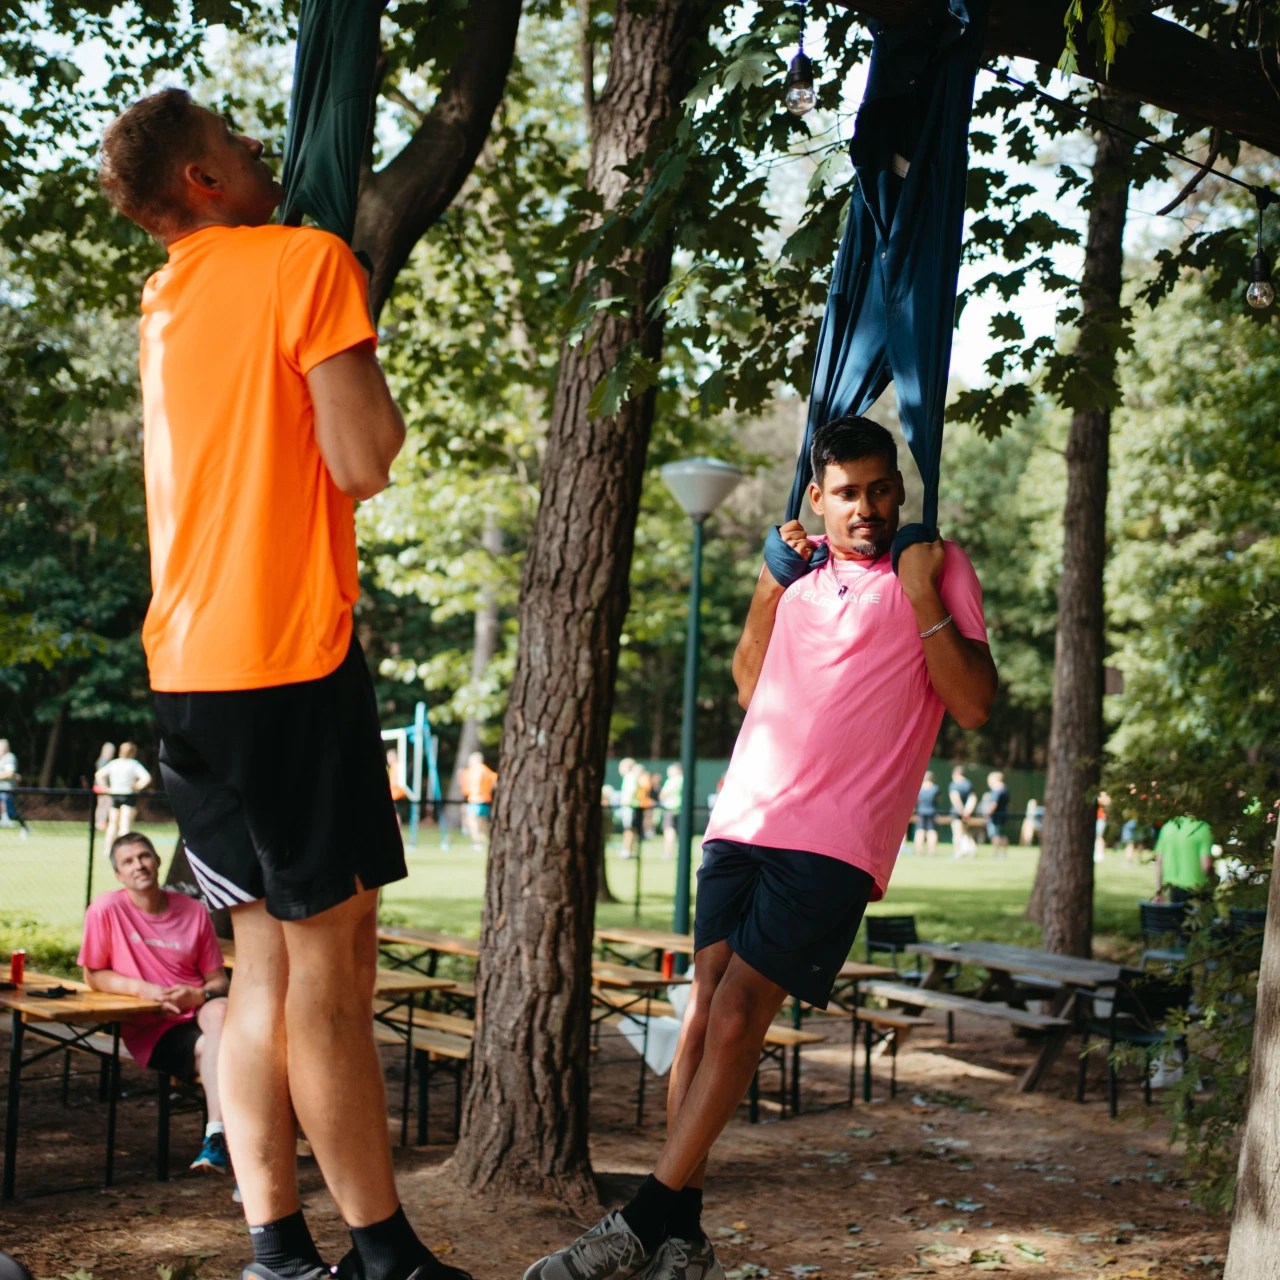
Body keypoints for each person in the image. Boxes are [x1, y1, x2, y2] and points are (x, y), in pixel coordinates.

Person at [98, 90, 460, 1280]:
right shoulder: (306, 262)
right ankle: (383, 1250)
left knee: (260, 956)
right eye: (238, 144)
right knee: (333, 958)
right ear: (202, 180)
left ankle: (276, 1246)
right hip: (286, 657)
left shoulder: (165, 295)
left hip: (186, 667)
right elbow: (363, 457)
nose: (265, 150)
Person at [523, 416, 996, 1280]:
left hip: (836, 836)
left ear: (900, 488)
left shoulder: (936, 567)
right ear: (818, 498)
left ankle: (641, 1220)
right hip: (744, 816)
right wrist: (768, 588)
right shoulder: (800, 571)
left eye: (881, 489)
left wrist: (924, 595)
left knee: (741, 1012)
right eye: (847, 493)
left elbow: (971, 705)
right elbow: (750, 685)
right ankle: (683, 1238)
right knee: (703, 1013)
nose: (868, 508)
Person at [79, 832, 231, 1173]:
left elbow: (218, 981)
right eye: (128, 861)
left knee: (220, 1011)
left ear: (158, 861)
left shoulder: (194, 911)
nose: (139, 866)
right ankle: (226, 1142)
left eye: (144, 856)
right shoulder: (106, 909)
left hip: (199, 1011)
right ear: (118, 875)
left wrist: (199, 995)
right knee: (231, 1054)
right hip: (154, 1026)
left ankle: (218, 1139)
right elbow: (93, 975)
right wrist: (142, 989)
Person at [96, 742, 152, 848]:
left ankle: (108, 849)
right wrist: (137, 786)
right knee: (125, 825)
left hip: (115, 794)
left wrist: (105, 788)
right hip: (128, 795)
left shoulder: (114, 763)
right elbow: (147, 778)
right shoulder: (134, 764)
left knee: (112, 824)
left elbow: (99, 775)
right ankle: (123, 848)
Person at [1154, 816, 1215, 903]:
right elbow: (1206, 866)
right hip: (1196, 888)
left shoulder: (1168, 826)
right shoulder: (1203, 828)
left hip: (1172, 887)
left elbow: (1159, 862)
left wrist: (1159, 891)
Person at [456, 751, 497, 847]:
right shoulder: (486, 770)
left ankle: (477, 841)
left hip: (475, 799)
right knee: (482, 822)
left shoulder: (473, 770)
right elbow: (495, 781)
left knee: (472, 820)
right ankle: (484, 840)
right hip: (486, 799)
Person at [0, 740, 29, 837]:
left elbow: (9, 773)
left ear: (6, 748)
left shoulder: (9, 757)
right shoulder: (2, 758)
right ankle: (4, 819)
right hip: (1, 789)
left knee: (11, 812)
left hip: (7, 789)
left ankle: (25, 827)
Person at [979, 771, 1010, 856]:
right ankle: (1003, 853)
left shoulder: (997, 790)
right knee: (1001, 834)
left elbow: (993, 804)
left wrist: (988, 814)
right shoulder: (1005, 789)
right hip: (1003, 815)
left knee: (995, 835)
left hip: (995, 817)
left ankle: (996, 853)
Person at [948, 764, 976, 857]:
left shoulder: (954, 784)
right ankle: (973, 850)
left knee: (957, 833)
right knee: (966, 832)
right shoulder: (968, 783)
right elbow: (973, 798)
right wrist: (967, 811)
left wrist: (961, 810)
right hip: (967, 812)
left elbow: (955, 797)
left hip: (957, 812)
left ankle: (957, 853)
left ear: (955, 774)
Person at [660, 764, 684, 861]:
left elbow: (663, 794)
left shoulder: (673, 780)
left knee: (669, 830)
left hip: (670, 807)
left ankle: (668, 852)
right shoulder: (683, 779)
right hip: (680, 808)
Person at [913, 770, 940, 857]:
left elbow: (917, 800)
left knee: (920, 831)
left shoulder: (920, 788)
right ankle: (932, 851)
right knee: (931, 831)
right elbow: (938, 799)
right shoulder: (935, 788)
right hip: (932, 811)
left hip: (921, 811)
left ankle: (919, 851)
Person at [618, 758, 640, 859]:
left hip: (629, 807)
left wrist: (626, 802)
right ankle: (631, 850)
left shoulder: (630, 777)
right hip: (630, 806)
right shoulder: (632, 777)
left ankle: (627, 851)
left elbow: (632, 790)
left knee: (629, 830)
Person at [94, 742, 118, 831]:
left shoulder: (100, 760)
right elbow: (101, 776)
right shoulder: (105, 761)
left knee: (101, 805)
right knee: (105, 805)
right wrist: (105, 787)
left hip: (99, 786)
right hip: (103, 787)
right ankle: (101, 822)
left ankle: (100, 822)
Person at [1094, 790, 1111, 862]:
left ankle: (1100, 853)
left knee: (1099, 837)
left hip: (1101, 819)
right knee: (1098, 837)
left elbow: (1107, 801)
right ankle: (1098, 852)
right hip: (1098, 819)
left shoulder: (1104, 797)